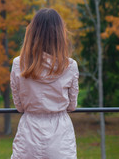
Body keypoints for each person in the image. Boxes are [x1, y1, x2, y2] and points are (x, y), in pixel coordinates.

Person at [10, 8, 79, 159]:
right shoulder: (70, 66)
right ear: (60, 35)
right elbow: (72, 106)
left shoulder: (18, 64)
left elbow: (19, 106)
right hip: (60, 137)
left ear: (32, 33)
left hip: (29, 134)